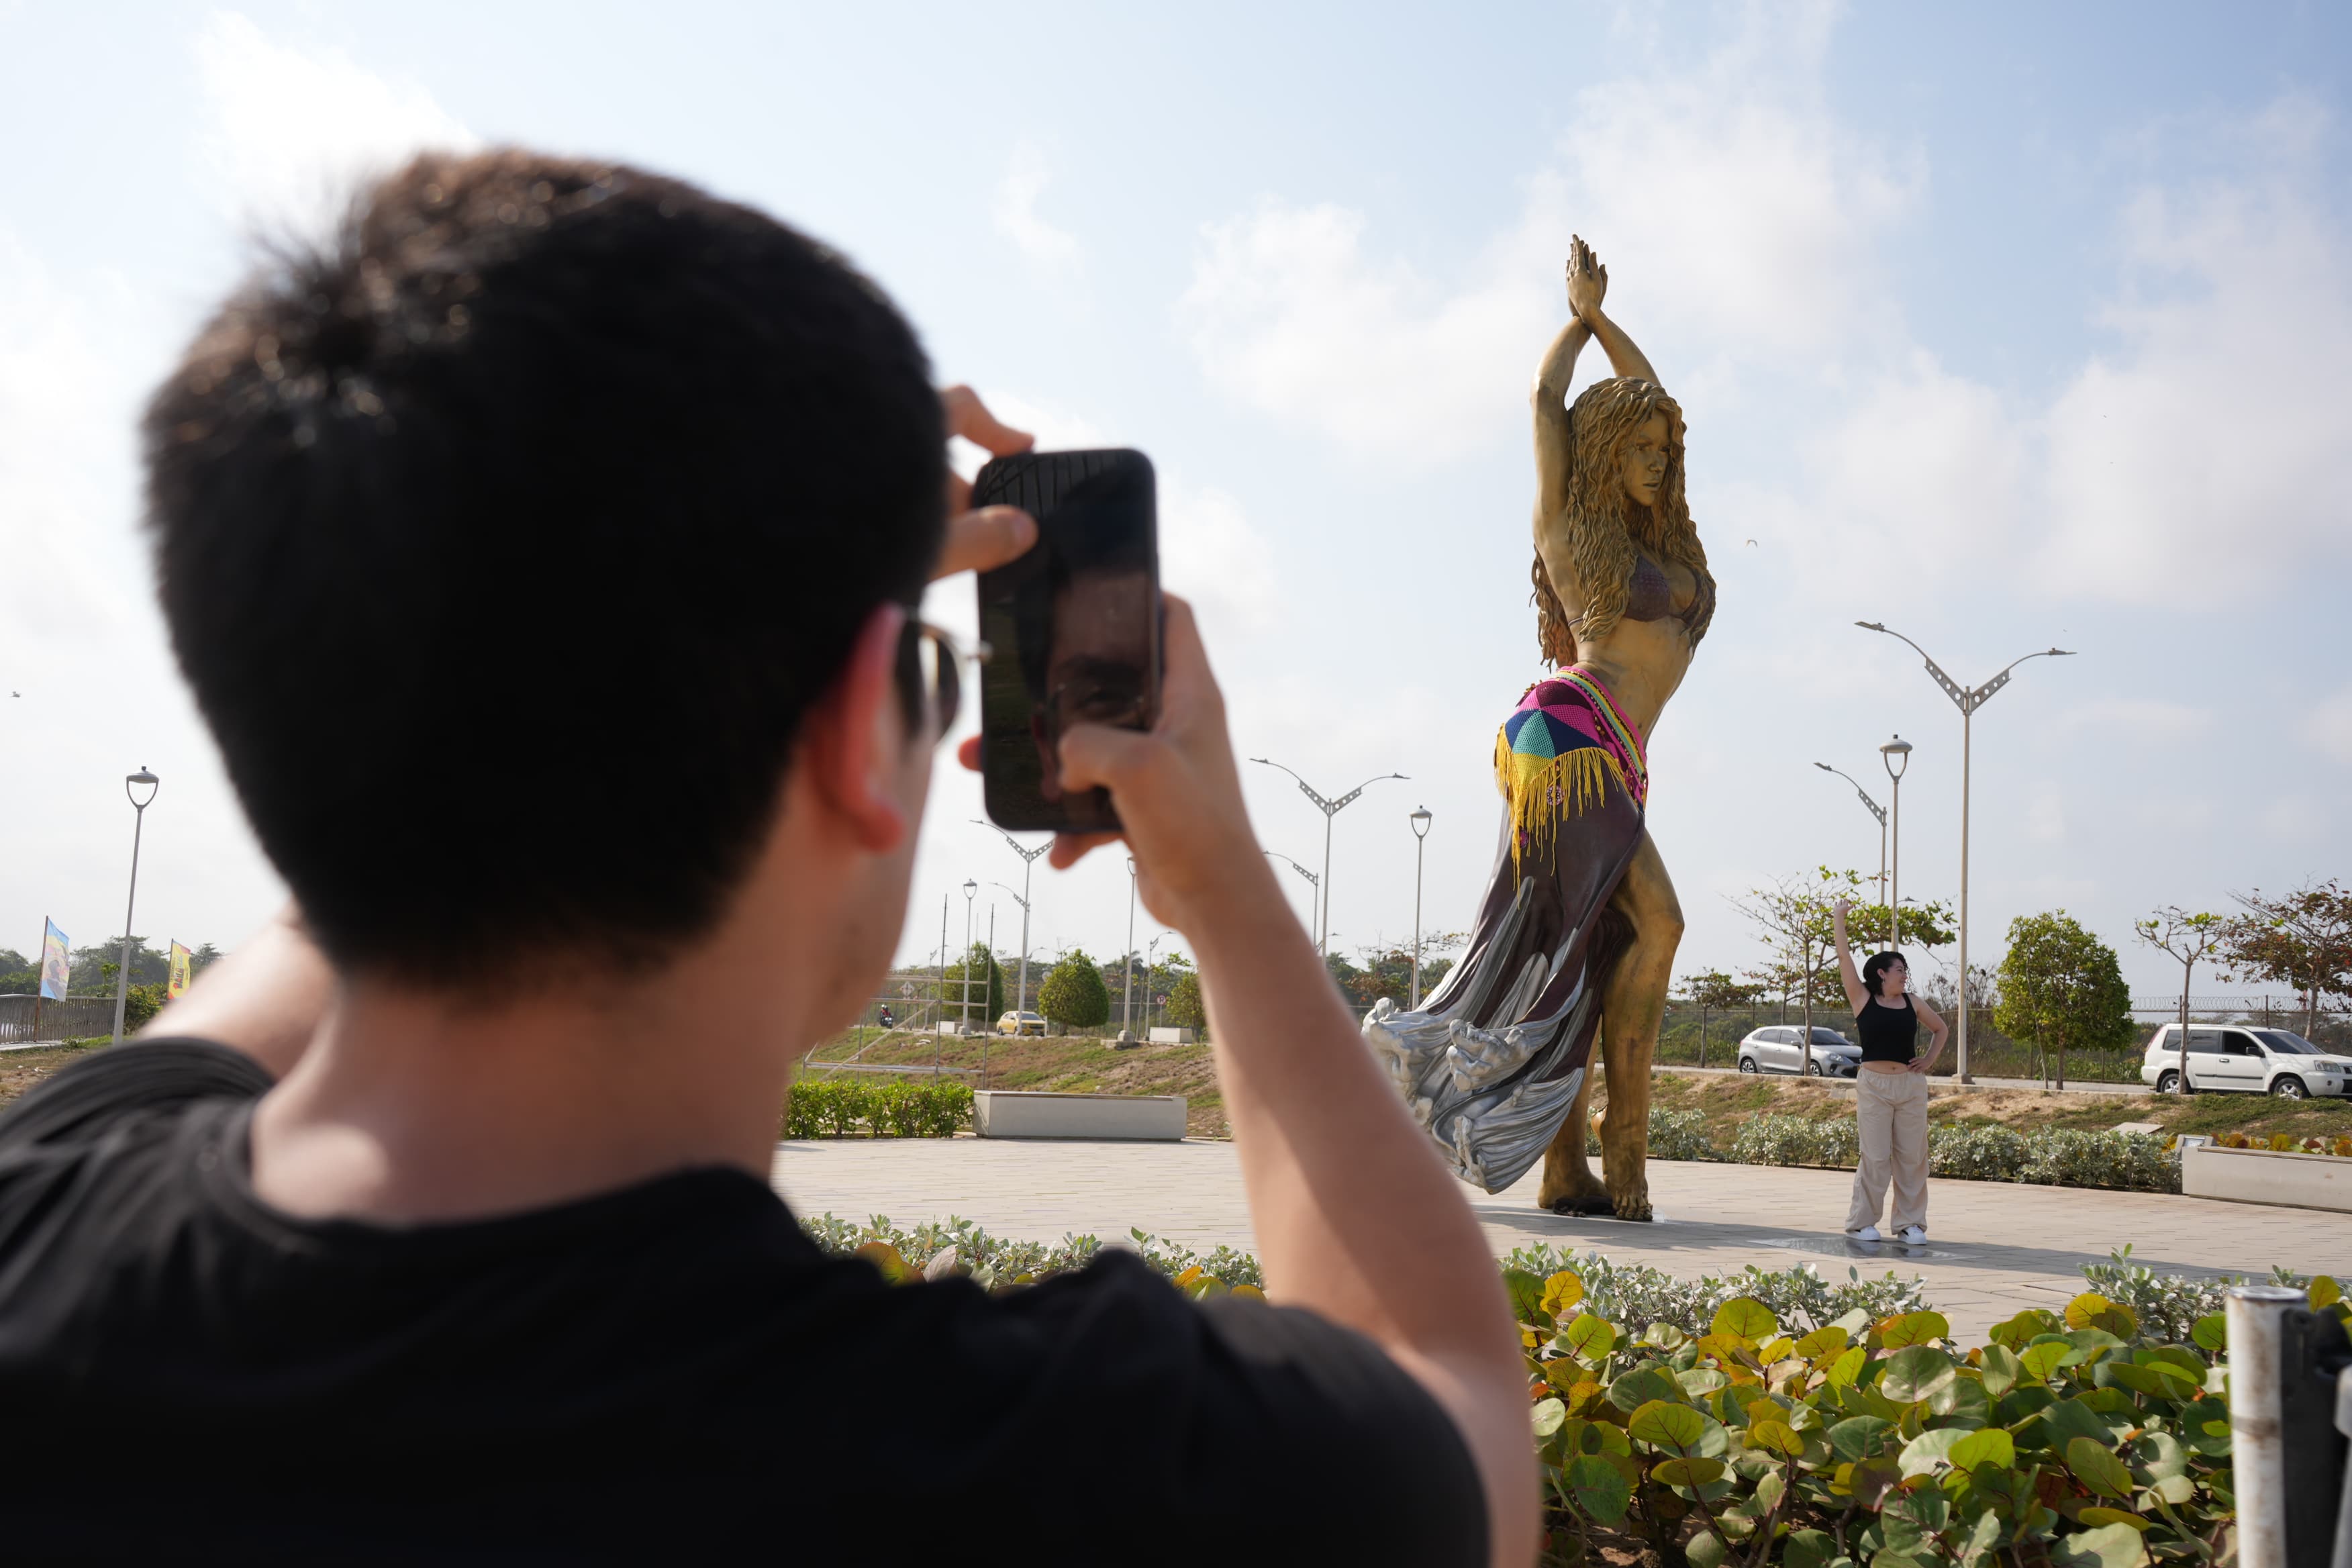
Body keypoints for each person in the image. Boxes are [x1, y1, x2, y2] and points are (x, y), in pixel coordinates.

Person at [0, 151, 1534, 1563]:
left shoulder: (43, 1221)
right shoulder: (1054, 1463)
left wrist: (698, 582)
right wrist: (1225, 895)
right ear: (866, 738)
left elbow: (380, 776)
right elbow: (1447, 1386)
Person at [1362, 236, 1713, 1218]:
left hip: (1615, 755)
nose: (1651, 461)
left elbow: (1654, 400)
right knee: (1660, 920)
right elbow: (1545, 406)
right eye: (1635, 448)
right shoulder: (1571, 532)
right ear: (1605, 455)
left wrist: (1620, 337)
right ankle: (1625, 1151)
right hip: (1564, 737)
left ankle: (1566, 1171)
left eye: (1662, 451)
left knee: (1584, 950)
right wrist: (1581, 318)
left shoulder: (1672, 539)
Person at [1832, 897, 1951, 1244]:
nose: (1905, 974)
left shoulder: (1913, 1002)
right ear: (1882, 973)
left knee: (1913, 1157)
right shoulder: (1862, 998)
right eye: (1899, 969)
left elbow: (1941, 1029)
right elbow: (1844, 958)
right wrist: (1839, 918)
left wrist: (1928, 1060)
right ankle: (1860, 1223)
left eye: (1905, 970)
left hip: (1911, 1086)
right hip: (1874, 1086)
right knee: (1876, 1157)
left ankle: (1910, 1225)